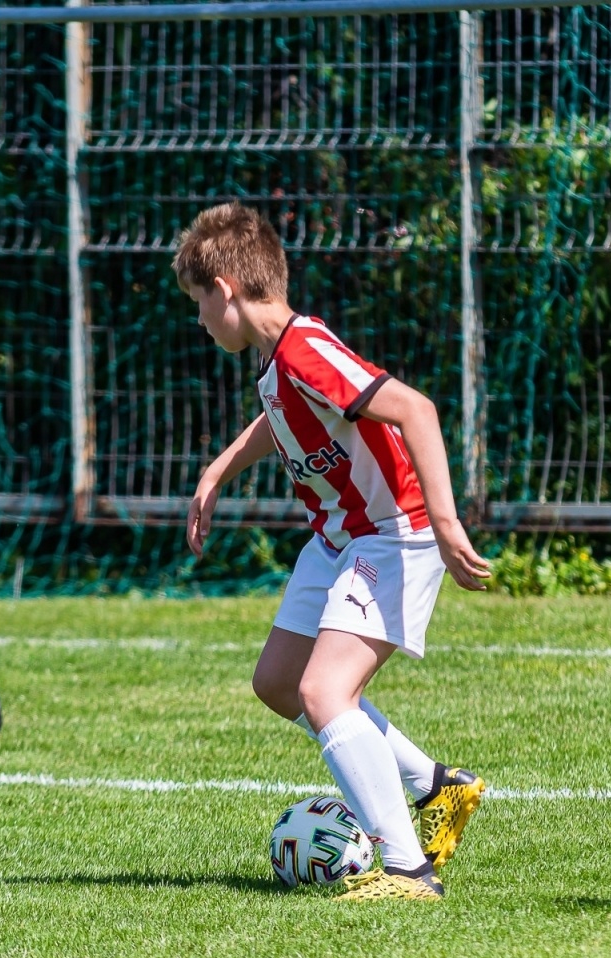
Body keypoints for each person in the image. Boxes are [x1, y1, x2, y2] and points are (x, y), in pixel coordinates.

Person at [178, 204, 491, 902]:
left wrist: (445, 523)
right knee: (280, 683)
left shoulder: (305, 347)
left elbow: (416, 410)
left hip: (393, 533)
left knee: (324, 693)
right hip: (340, 539)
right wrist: (217, 470)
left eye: (200, 304)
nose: (199, 320)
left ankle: (409, 870)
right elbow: (282, 413)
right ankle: (437, 787)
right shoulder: (279, 358)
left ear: (226, 288)